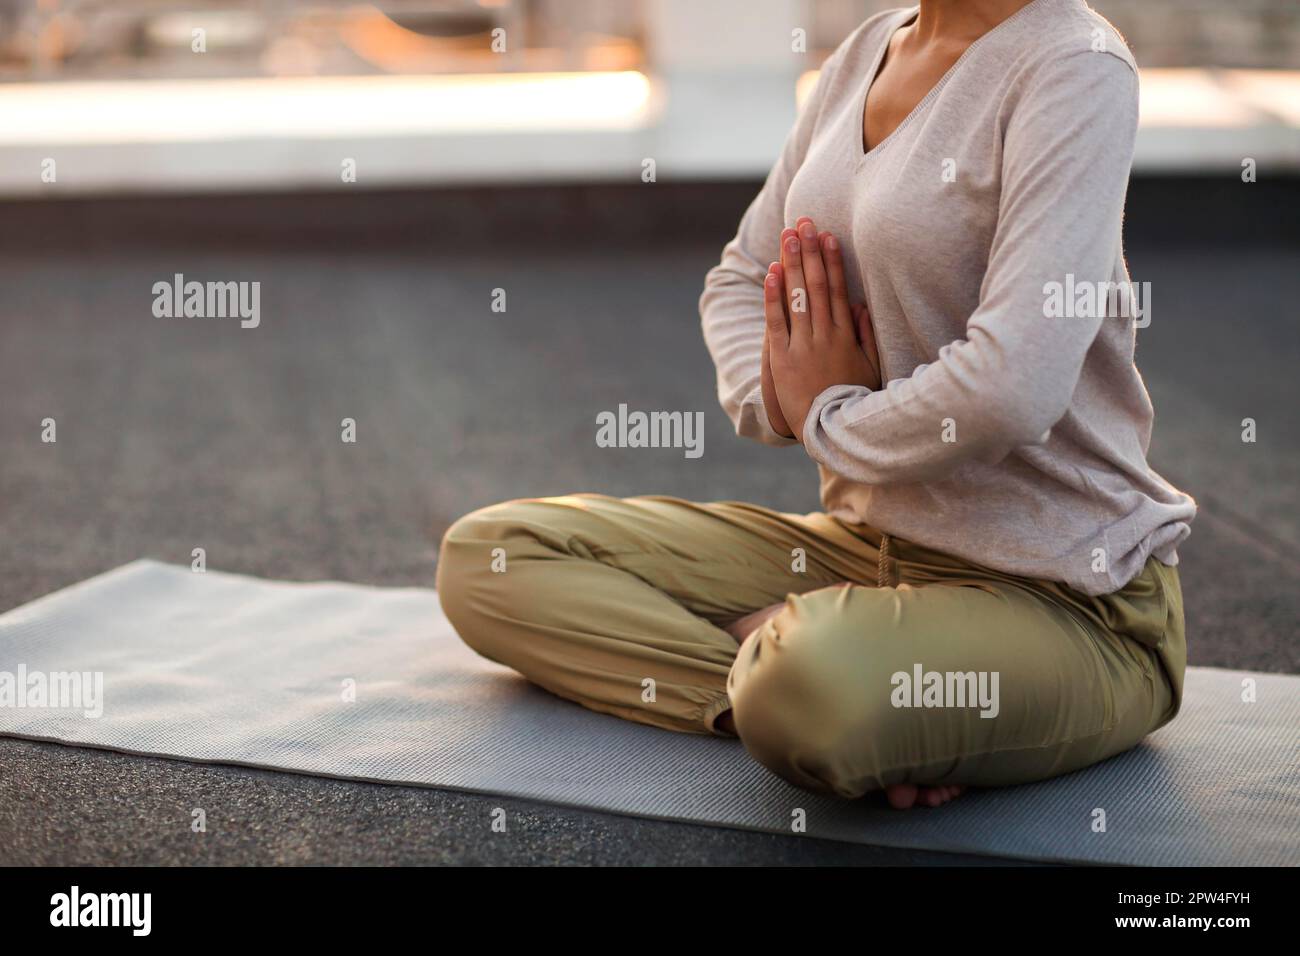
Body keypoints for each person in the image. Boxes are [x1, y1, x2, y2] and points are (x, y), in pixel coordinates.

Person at [437, 0, 1196, 809]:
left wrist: (829, 417)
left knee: (820, 677)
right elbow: (739, 277)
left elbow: (1016, 386)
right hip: (866, 552)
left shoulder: (1074, 64)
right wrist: (787, 400)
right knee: (492, 557)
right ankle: (783, 685)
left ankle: (811, 680)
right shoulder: (873, 45)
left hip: (1069, 602)